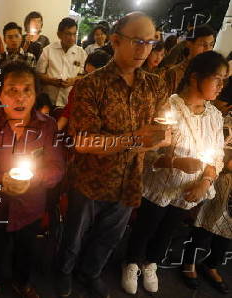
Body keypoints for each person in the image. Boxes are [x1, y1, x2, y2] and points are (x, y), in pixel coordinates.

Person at [56, 12, 169, 298]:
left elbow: (160, 134)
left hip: (129, 179)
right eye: (137, 41)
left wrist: (151, 141)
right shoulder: (90, 85)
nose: (144, 49)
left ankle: (90, 272)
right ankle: (64, 271)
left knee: (109, 237)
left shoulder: (153, 85)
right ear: (116, 41)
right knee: (75, 234)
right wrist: (135, 139)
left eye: (150, 42)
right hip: (90, 178)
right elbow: (84, 142)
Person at [122, 51, 227, 295]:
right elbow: (147, 155)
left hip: (188, 191)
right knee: (146, 225)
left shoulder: (214, 116)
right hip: (159, 186)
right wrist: (177, 162)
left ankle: (151, 263)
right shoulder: (169, 108)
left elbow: (218, 156)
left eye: (225, 80)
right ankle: (131, 262)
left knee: (168, 229)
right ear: (194, 78)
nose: (222, 86)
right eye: (217, 78)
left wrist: (206, 181)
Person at [0, 61, 65, 298]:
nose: (20, 98)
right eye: (12, 90)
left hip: (30, 206)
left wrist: (32, 180)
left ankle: (22, 282)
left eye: (27, 90)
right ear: (0, 94)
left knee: (27, 250)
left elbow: (57, 168)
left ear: (36, 95)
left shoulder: (48, 126)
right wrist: (2, 180)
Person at [181, 113, 232, 295]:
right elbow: (219, 153)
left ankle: (211, 265)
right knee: (206, 225)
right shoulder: (228, 122)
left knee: (228, 232)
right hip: (223, 181)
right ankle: (189, 261)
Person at [36, 18, 87, 107]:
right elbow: (38, 74)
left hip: (70, 103)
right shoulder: (48, 50)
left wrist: (73, 81)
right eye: (68, 34)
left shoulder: (81, 53)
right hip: (49, 101)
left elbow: (85, 76)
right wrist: (50, 81)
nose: (72, 38)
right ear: (59, 34)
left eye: (74, 34)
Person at [57, 49, 111, 131]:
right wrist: (55, 131)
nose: (88, 80)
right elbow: (69, 110)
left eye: (93, 75)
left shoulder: (113, 92)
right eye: (86, 74)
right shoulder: (80, 85)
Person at [165, 25, 216, 95]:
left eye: (211, 45)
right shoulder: (174, 74)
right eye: (203, 45)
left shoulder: (211, 73)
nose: (207, 49)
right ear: (189, 44)